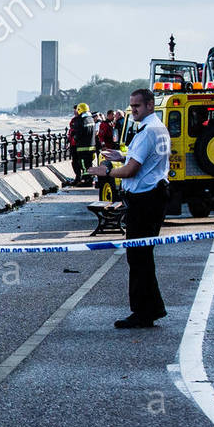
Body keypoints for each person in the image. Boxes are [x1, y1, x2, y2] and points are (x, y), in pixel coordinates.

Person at [88, 88, 169, 328]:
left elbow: (133, 170)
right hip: (154, 195)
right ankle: (152, 308)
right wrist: (122, 156)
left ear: (150, 106)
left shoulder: (147, 132)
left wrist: (108, 171)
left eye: (137, 106)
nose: (133, 110)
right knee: (142, 255)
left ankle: (144, 312)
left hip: (146, 200)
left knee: (138, 256)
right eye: (131, 105)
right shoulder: (157, 128)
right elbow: (143, 160)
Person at [69, 102, 97, 186]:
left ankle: (86, 181)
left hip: (83, 147)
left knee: (83, 165)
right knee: (89, 164)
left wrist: (74, 137)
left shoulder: (81, 120)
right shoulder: (91, 119)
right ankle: (89, 179)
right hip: (91, 145)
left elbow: (78, 133)